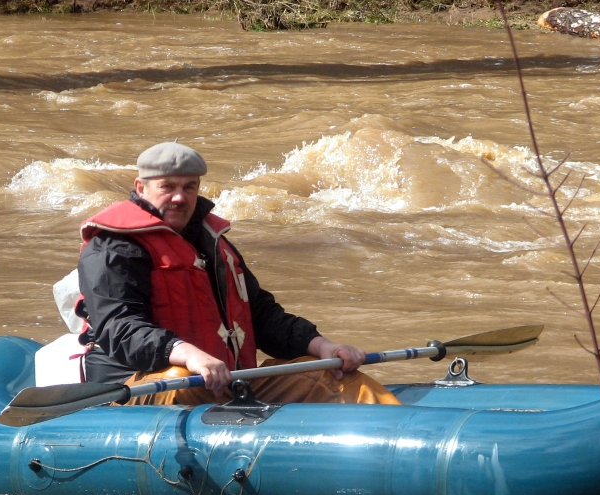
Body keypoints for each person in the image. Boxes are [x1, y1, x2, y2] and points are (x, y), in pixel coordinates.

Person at [76, 141, 400, 406]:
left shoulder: (212, 241)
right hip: (136, 388)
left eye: (190, 188)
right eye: (168, 187)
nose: (180, 197)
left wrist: (322, 346)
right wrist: (188, 354)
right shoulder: (113, 246)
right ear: (140, 187)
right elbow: (120, 329)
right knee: (177, 378)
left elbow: (260, 315)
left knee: (332, 378)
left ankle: (402, 449)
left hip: (227, 381)